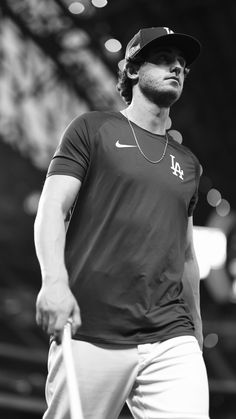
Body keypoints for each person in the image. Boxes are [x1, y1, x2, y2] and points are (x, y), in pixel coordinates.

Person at [34, 27, 209, 419]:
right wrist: (54, 282)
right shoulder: (93, 129)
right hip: (92, 328)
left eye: (181, 63)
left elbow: (186, 254)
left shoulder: (190, 164)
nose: (177, 66)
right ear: (131, 70)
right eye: (163, 59)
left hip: (170, 335)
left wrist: (194, 328)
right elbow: (52, 207)